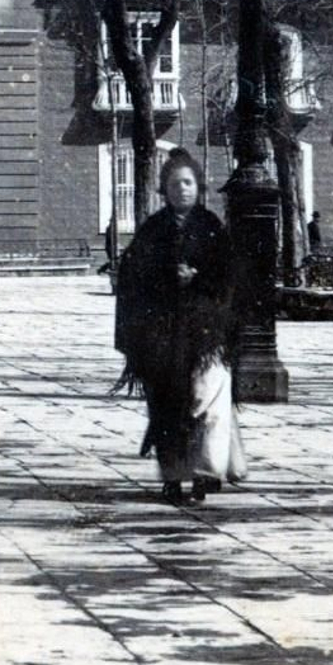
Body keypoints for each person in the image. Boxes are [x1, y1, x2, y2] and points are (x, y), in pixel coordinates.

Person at [115, 149, 247, 504]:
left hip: (207, 335)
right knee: (167, 407)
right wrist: (165, 278)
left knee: (209, 402)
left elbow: (230, 278)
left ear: (198, 186)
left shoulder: (211, 228)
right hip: (165, 337)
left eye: (188, 183)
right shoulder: (152, 231)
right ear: (165, 189)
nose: (182, 190)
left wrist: (199, 279)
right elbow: (131, 279)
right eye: (175, 184)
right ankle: (172, 477)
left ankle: (205, 474)